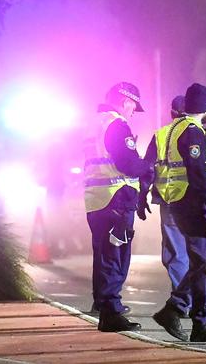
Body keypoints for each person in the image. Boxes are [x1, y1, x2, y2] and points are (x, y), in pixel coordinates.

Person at [137, 84, 206, 342]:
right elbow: (198, 174)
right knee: (204, 262)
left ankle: (197, 320)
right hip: (192, 202)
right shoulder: (193, 132)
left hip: (175, 200)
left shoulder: (173, 129)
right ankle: (180, 311)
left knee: (200, 261)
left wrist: (142, 195)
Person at [83, 82, 153, 332]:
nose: (133, 112)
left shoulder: (93, 123)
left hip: (95, 198)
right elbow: (128, 165)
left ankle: (104, 306)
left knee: (104, 255)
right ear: (126, 101)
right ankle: (111, 312)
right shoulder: (116, 124)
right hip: (116, 198)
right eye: (134, 107)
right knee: (115, 257)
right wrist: (148, 164)